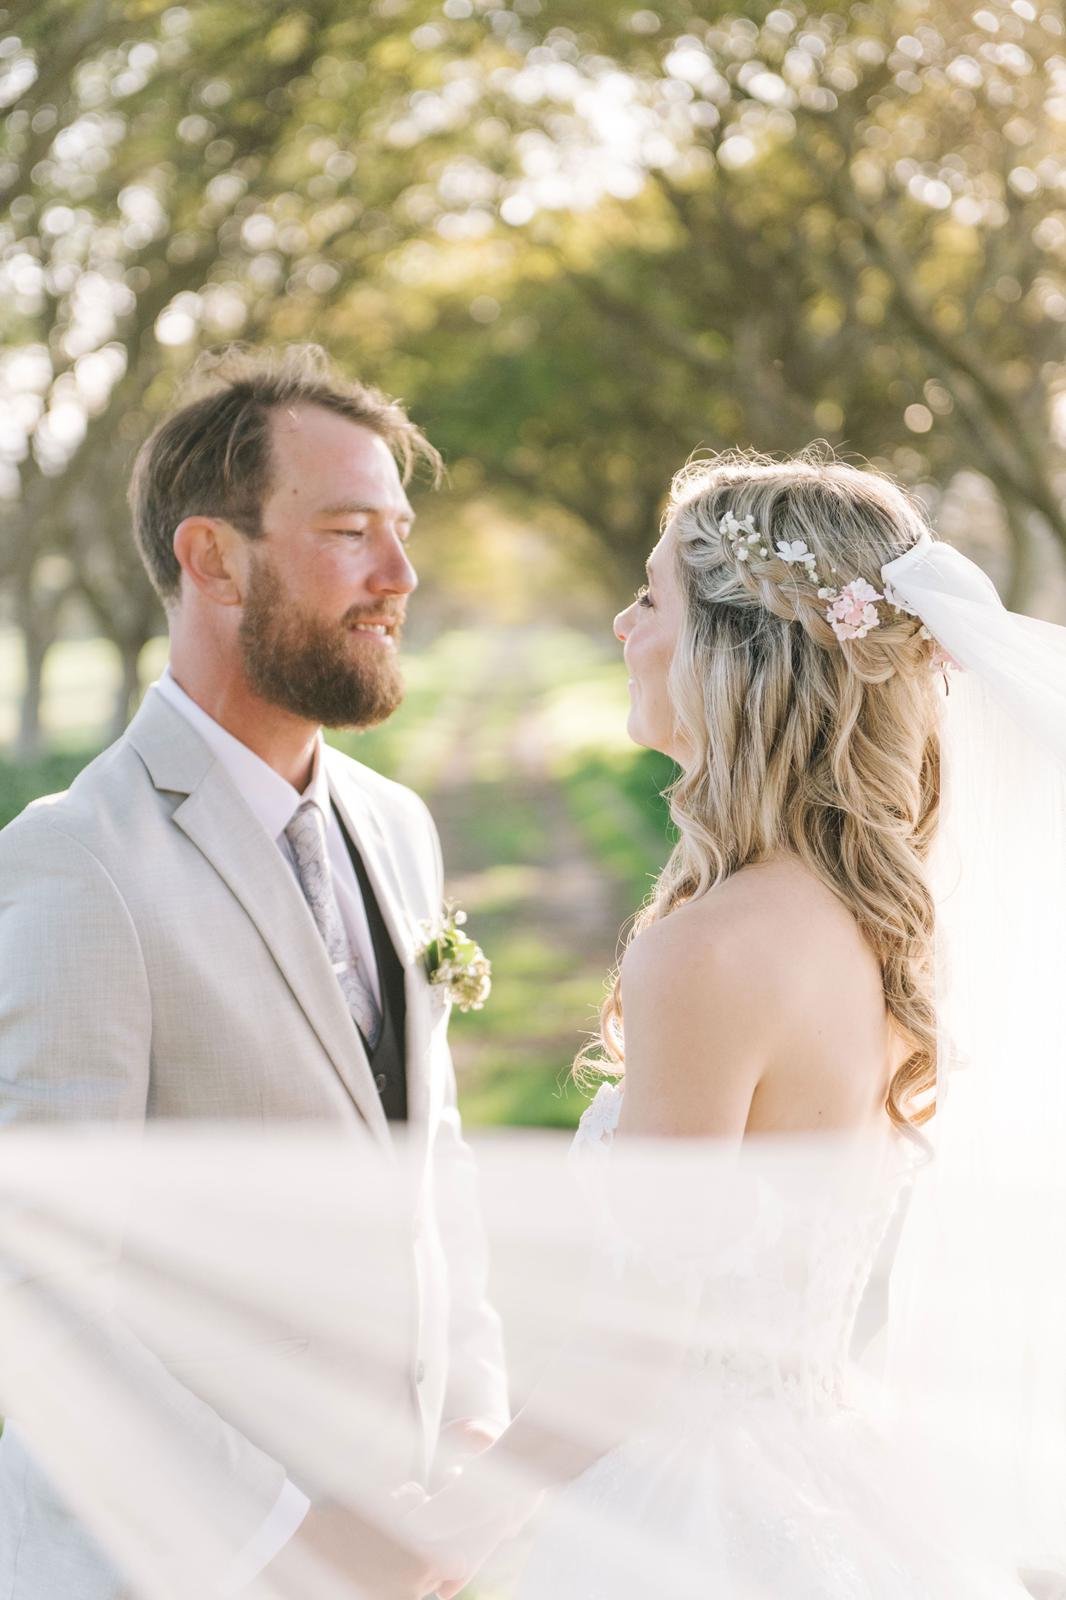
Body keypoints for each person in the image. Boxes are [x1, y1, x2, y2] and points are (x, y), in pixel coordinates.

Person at [406, 448, 1066, 1598]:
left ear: (735, 652)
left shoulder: (707, 952)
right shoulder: (876, 925)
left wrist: (440, 1528)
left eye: (650, 596)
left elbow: (638, 1348)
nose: (622, 624)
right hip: (827, 1478)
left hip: (695, 1523)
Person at [0, 345, 509, 1599]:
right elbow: (43, 1290)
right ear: (211, 556)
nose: (398, 577)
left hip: (409, 1523)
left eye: (399, 532)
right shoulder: (80, 865)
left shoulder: (396, 824)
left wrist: (474, 1424)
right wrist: (287, 1538)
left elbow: (429, 1156)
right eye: (349, 532)